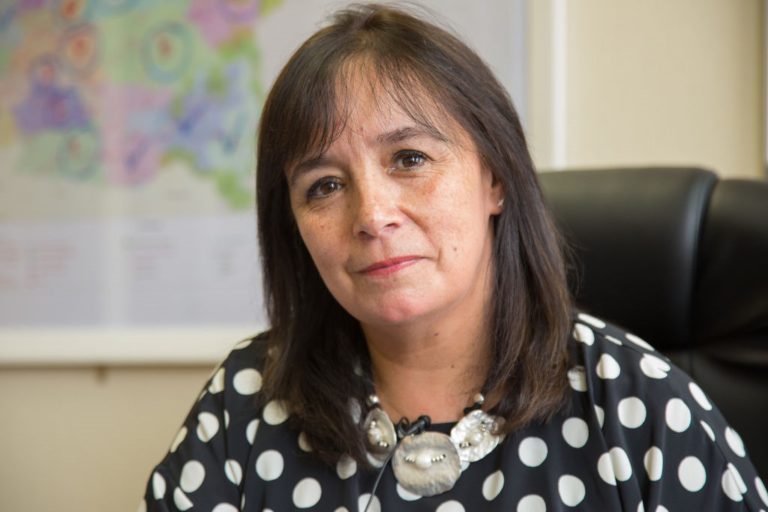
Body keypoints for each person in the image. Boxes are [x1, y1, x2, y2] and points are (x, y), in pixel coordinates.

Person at [142, 4, 767, 511]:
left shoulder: (641, 409)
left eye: (410, 159)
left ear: (495, 178)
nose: (371, 216)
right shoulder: (245, 405)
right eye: (324, 186)